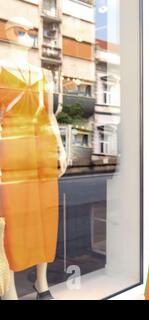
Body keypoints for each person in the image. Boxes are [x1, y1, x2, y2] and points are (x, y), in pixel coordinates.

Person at [0, 17, 67, 300]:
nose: (26, 35)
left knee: (45, 217)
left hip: (43, 152)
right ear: (6, 32)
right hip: (11, 153)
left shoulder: (44, 74)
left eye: (30, 31)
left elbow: (49, 114)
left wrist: (61, 148)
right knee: (13, 219)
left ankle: (42, 283)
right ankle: (11, 289)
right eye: (20, 29)